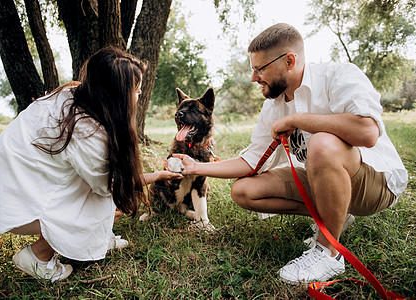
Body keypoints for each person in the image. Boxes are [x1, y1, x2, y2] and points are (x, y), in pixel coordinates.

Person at [173, 23, 408, 285]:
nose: (253, 77)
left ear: (289, 61)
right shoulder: (272, 106)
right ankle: (335, 213)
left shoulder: (338, 75)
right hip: (322, 177)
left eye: (259, 69)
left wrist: (299, 119)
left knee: (321, 144)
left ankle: (328, 253)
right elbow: (250, 161)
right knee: (244, 190)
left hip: (376, 184)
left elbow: (367, 132)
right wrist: (195, 167)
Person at [0, 47, 182, 282]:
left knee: (99, 187)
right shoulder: (87, 132)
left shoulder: (74, 95)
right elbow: (112, 188)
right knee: (107, 198)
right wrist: (156, 176)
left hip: (3, 188)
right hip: (16, 204)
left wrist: (154, 175)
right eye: (136, 90)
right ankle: (37, 257)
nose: (140, 95)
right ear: (118, 95)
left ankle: (100, 236)